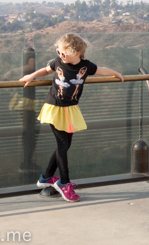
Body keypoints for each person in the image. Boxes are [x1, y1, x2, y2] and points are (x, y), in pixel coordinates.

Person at [19, 33, 124, 202]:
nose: (59, 55)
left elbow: (102, 70)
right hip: (54, 107)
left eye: (62, 53)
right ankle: (63, 182)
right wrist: (31, 76)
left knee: (66, 144)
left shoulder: (85, 66)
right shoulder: (57, 62)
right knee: (62, 144)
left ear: (76, 53)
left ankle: (46, 177)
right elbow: (45, 70)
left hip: (70, 109)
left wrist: (117, 73)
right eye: (58, 52)